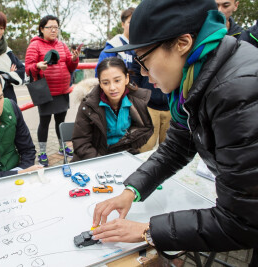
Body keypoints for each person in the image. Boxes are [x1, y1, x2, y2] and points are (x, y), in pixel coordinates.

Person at [91, 0, 258, 266]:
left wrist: (148, 231)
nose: (143, 74)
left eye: (145, 61)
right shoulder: (197, 78)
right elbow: (177, 146)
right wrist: (131, 190)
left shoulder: (236, 93)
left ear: (183, 43)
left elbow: (242, 221)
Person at [96, 8, 170, 152]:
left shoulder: (152, 43)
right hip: (140, 103)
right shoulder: (112, 47)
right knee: (141, 146)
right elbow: (102, 75)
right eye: (131, 21)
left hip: (166, 103)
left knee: (168, 147)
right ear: (123, 24)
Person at [71, 57, 153, 162]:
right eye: (106, 83)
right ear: (100, 83)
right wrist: (103, 161)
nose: (112, 87)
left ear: (127, 78)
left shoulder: (138, 100)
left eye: (117, 80)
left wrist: (128, 147)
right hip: (93, 160)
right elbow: (81, 142)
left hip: (124, 157)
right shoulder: (88, 105)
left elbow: (145, 129)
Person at [25, 15, 79, 167]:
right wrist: (37, 66)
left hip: (62, 91)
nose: (54, 30)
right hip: (45, 91)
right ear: (42, 29)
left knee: (60, 122)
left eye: (56, 27)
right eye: (50, 27)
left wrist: (74, 59)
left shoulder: (62, 45)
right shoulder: (35, 45)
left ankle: (62, 147)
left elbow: (70, 66)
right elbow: (28, 67)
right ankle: (42, 152)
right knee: (44, 123)